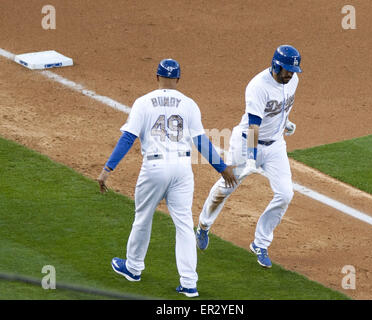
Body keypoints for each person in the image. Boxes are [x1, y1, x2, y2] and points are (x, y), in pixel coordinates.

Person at [96, 58, 237, 297]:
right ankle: (189, 283)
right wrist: (222, 168)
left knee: (143, 218)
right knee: (184, 225)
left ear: (156, 77)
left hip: (154, 168)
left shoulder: (143, 102)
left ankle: (133, 268)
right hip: (183, 169)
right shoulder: (189, 104)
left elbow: (128, 139)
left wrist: (107, 169)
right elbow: (201, 142)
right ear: (179, 79)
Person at [196, 45, 302, 268]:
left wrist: (286, 122)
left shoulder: (292, 81)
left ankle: (260, 243)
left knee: (285, 194)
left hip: (275, 146)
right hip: (246, 144)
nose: (291, 74)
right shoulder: (257, 86)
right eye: (287, 70)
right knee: (227, 185)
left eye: (293, 70)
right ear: (276, 65)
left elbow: (282, 106)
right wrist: (252, 159)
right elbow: (254, 125)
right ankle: (204, 226)